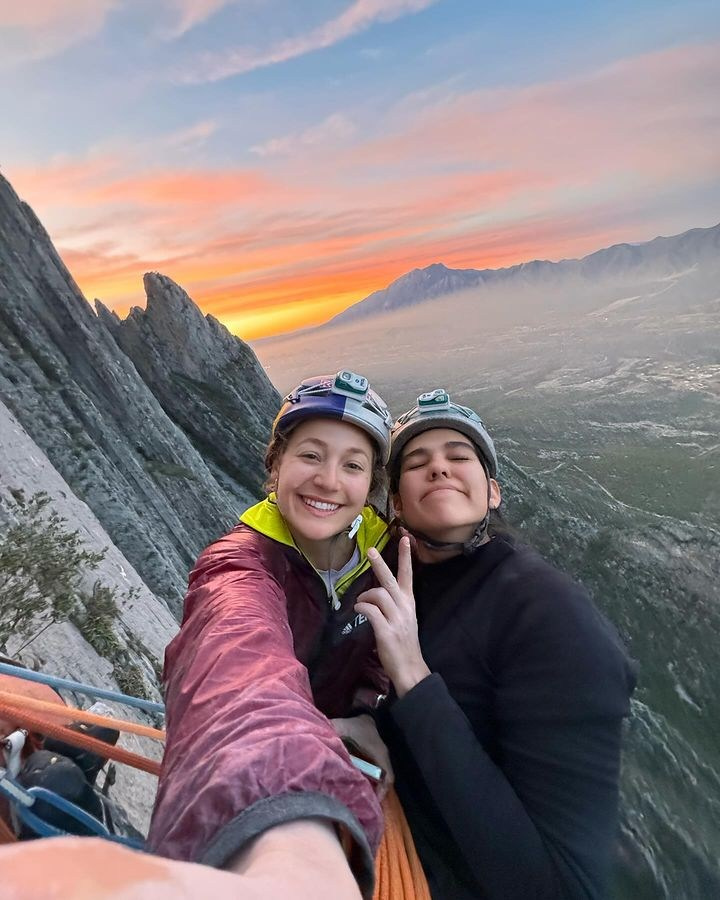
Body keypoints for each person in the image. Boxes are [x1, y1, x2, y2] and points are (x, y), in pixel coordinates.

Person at [349, 388, 637, 900]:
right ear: (395, 503)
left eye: (459, 457)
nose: (439, 468)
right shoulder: (396, 582)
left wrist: (414, 679)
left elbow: (561, 887)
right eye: (417, 463)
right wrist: (374, 721)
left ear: (494, 492)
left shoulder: (549, 614)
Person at [147, 371, 395, 898]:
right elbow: (237, 659)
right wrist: (285, 826)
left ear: (370, 487)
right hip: (287, 778)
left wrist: (365, 710)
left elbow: (376, 650)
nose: (329, 480)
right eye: (310, 455)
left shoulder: (386, 553)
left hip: (363, 766)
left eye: (352, 465)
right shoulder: (240, 563)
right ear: (275, 463)